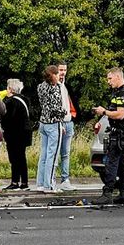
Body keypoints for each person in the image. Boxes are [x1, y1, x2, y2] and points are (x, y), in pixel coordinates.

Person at [93, 67, 124, 205]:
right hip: (122, 131)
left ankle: (107, 193)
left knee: (111, 162)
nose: (108, 81)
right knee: (122, 164)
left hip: (120, 132)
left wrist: (104, 112)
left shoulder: (123, 93)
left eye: (110, 78)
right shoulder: (121, 92)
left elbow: (120, 114)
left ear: (118, 77)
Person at [34, 65, 66, 193]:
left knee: (44, 154)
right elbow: (56, 107)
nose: (59, 76)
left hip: (43, 121)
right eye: (58, 74)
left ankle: (40, 183)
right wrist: (64, 115)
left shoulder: (41, 86)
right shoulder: (55, 88)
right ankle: (50, 185)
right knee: (52, 155)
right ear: (53, 75)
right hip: (53, 123)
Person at [1, 79, 32, 189]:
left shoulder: (11, 102)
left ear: (10, 89)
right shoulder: (25, 100)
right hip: (25, 132)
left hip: (14, 134)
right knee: (22, 157)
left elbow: (7, 119)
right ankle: (24, 182)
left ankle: (14, 182)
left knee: (14, 158)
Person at [55, 62, 77, 192]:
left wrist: (73, 114)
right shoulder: (54, 87)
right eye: (61, 70)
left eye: (65, 70)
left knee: (66, 153)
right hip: (60, 122)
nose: (63, 72)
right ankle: (52, 179)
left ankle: (65, 179)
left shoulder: (66, 86)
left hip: (69, 121)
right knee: (55, 152)